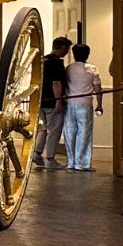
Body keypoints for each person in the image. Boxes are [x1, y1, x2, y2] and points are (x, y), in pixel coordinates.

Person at [62, 43, 103, 172]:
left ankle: (71, 162)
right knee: (84, 132)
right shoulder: (93, 69)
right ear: (87, 54)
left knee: (69, 132)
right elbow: (98, 89)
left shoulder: (68, 68)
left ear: (74, 54)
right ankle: (82, 163)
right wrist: (99, 105)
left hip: (69, 102)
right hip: (85, 103)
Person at [32, 35, 70, 170]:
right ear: (63, 47)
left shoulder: (43, 60)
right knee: (54, 130)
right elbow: (56, 83)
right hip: (52, 101)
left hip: (40, 100)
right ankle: (50, 159)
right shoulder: (57, 63)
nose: (67, 52)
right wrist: (58, 101)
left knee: (43, 129)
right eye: (67, 49)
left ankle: (36, 154)